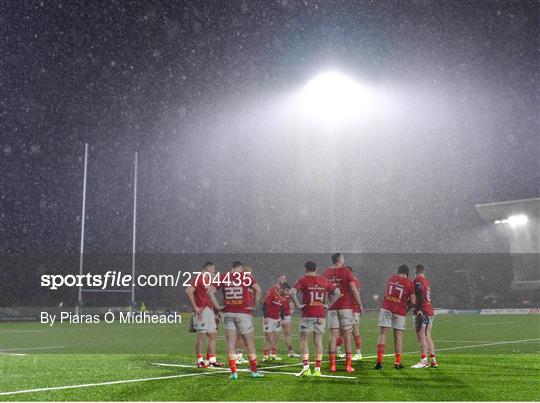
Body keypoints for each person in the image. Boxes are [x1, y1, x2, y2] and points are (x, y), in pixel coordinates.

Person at [208, 261, 264, 379]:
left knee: (231, 343)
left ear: (231, 267)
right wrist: (254, 305)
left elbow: (210, 291)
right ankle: (254, 372)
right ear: (241, 268)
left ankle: (234, 373)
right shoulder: (245, 277)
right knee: (249, 343)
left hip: (228, 313)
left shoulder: (223, 276)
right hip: (243, 313)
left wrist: (217, 306)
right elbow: (258, 290)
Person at [290, 261, 340, 377]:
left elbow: (292, 292)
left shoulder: (303, 280)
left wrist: (298, 305)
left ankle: (306, 368)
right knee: (318, 342)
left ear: (306, 269)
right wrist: (328, 305)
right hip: (320, 315)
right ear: (316, 269)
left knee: (304, 341)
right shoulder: (324, 280)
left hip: (307, 314)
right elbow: (337, 292)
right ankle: (318, 369)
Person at [322, 253, 362, 372]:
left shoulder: (326, 273)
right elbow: (354, 290)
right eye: (343, 257)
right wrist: (360, 304)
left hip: (333, 307)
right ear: (339, 259)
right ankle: (348, 365)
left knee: (333, 336)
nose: (344, 259)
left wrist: (326, 304)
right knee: (347, 335)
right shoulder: (346, 271)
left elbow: (323, 291)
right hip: (346, 307)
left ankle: (332, 365)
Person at [375, 264, 416, 370]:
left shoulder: (391, 278)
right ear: (407, 273)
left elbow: (387, 293)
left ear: (398, 271)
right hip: (400, 311)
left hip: (387, 308)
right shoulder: (409, 283)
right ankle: (397, 363)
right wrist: (406, 308)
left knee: (383, 334)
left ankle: (379, 362)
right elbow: (413, 301)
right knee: (398, 337)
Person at [185, 261, 224, 368]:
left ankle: (212, 360)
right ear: (207, 269)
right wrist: (195, 307)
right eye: (213, 269)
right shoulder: (200, 278)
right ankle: (199, 361)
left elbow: (209, 297)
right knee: (201, 336)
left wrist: (216, 312)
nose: (214, 271)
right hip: (201, 311)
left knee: (213, 335)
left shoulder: (208, 280)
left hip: (209, 311)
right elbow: (189, 291)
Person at [411, 264, 438, 368]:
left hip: (423, 311)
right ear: (424, 271)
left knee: (422, 336)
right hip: (429, 310)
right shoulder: (426, 281)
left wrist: (419, 309)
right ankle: (433, 361)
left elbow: (420, 294)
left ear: (415, 271)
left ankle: (423, 361)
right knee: (427, 336)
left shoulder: (418, 281)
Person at [337, 268, 364, 361]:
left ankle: (358, 353)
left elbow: (352, 294)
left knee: (354, 331)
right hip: (349, 308)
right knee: (343, 331)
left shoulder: (352, 281)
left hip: (353, 309)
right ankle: (338, 350)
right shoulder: (356, 281)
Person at [235, 265, 254, 364]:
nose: (250, 275)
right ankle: (237, 356)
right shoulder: (241, 284)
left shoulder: (250, 285)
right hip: (241, 312)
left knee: (243, 336)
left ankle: (239, 355)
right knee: (240, 335)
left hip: (247, 313)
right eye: (248, 273)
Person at [262, 283, 284, 361]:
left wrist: (282, 319)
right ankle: (265, 356)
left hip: (277, 320)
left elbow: (282, 309)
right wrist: (266, 316)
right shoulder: (272, 294)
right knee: (268, 337)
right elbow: (264, 304)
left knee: (277, 337)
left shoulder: (281, 298)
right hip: (269, 319)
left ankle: (273, 354)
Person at [280, 283, 300, 357]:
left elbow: (292, 303)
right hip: (277, 317)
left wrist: (292, 309)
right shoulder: (277, 295)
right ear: (282, 290)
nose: (287, 292)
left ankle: (291, 352)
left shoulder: (289, 296)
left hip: (286, 317)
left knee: (288, 334)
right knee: (274, 335)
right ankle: (271, 353)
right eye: (286, 290)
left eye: (288, 291)